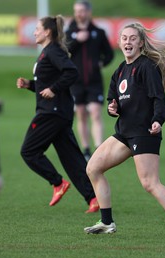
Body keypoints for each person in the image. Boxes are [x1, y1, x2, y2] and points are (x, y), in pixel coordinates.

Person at [83, 22, 165, 242]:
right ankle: (107, 222)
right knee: (93, 168)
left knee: (149, 183)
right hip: (124, 133)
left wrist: (157, 120)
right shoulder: (119, 71)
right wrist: (112, 108)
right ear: (119, 42)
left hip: (144, 132)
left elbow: (158, 99)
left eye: (133, 38)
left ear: (141, 43)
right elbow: (112, 102)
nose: (128, 42)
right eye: (124, 38)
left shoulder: (147, 67)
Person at [16, 15, 99, 213]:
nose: (34, 32)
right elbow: (46, 84)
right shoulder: (47, 52)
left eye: (37, 28)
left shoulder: (52, 51)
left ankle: (57, 183)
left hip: (51, 113)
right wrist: (30, 85)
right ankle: (94, 198)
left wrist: (53, 88)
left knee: (28, 151)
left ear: (47, 32)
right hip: (59, 112)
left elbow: (71, 72)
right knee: (72, 159)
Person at [66, 0, 114, 161]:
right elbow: (64, 53)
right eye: (76, 10)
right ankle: (86, 149)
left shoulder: (98, 32)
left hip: (94, 81)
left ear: (88, 12)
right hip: (76, 81)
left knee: (95, 112)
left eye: (81, 10)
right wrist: (77, 40)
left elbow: (109, 54)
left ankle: (99, 148)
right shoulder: (69, 32)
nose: (79, 13)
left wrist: (101, 63)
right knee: (80, 114)